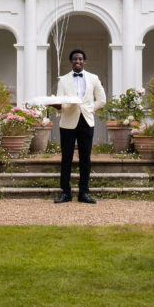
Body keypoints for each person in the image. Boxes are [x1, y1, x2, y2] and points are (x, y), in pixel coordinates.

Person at [52, 49, 107, 204]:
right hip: (68, 122)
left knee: (85, 159)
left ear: (84, 61)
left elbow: (102, 100)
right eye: (75, 59)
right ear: (71, 62)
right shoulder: (63, 80)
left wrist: (90, 109)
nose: (77, 61)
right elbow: (61, 100)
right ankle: (65, 193)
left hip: (86, 121)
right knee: (66, 158)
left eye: (80, 59)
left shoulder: (93, 78)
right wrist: (57, 105)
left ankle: (84, 193)